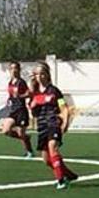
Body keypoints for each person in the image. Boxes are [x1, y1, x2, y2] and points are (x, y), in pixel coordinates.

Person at [29, 62, 78, 190]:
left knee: (53, 148)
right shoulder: (34, 93)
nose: (40, 76)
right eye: (37, 74)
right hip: (42, 126)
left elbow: (64, 107)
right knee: (46, 160)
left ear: (47, 75)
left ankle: (61, 181)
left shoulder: (54, 91)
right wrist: (32, 106)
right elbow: (34, 113)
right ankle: (68, 174)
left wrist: (66, 122)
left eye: (42, 74)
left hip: (53, 123)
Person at [2, 62, 34, 157]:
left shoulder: (21, 82)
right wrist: (9, 99)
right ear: (9, 70)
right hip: (13, 110)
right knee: (6, 131)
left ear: (19, 70)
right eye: (11, 68)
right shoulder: (10, 82)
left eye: (15, 68)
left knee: (21, 133)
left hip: (21, 110)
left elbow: (29, 93)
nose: (13, 70)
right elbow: (12, 95)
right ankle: (26, 137)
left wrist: (20, 96)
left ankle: (29, 151)